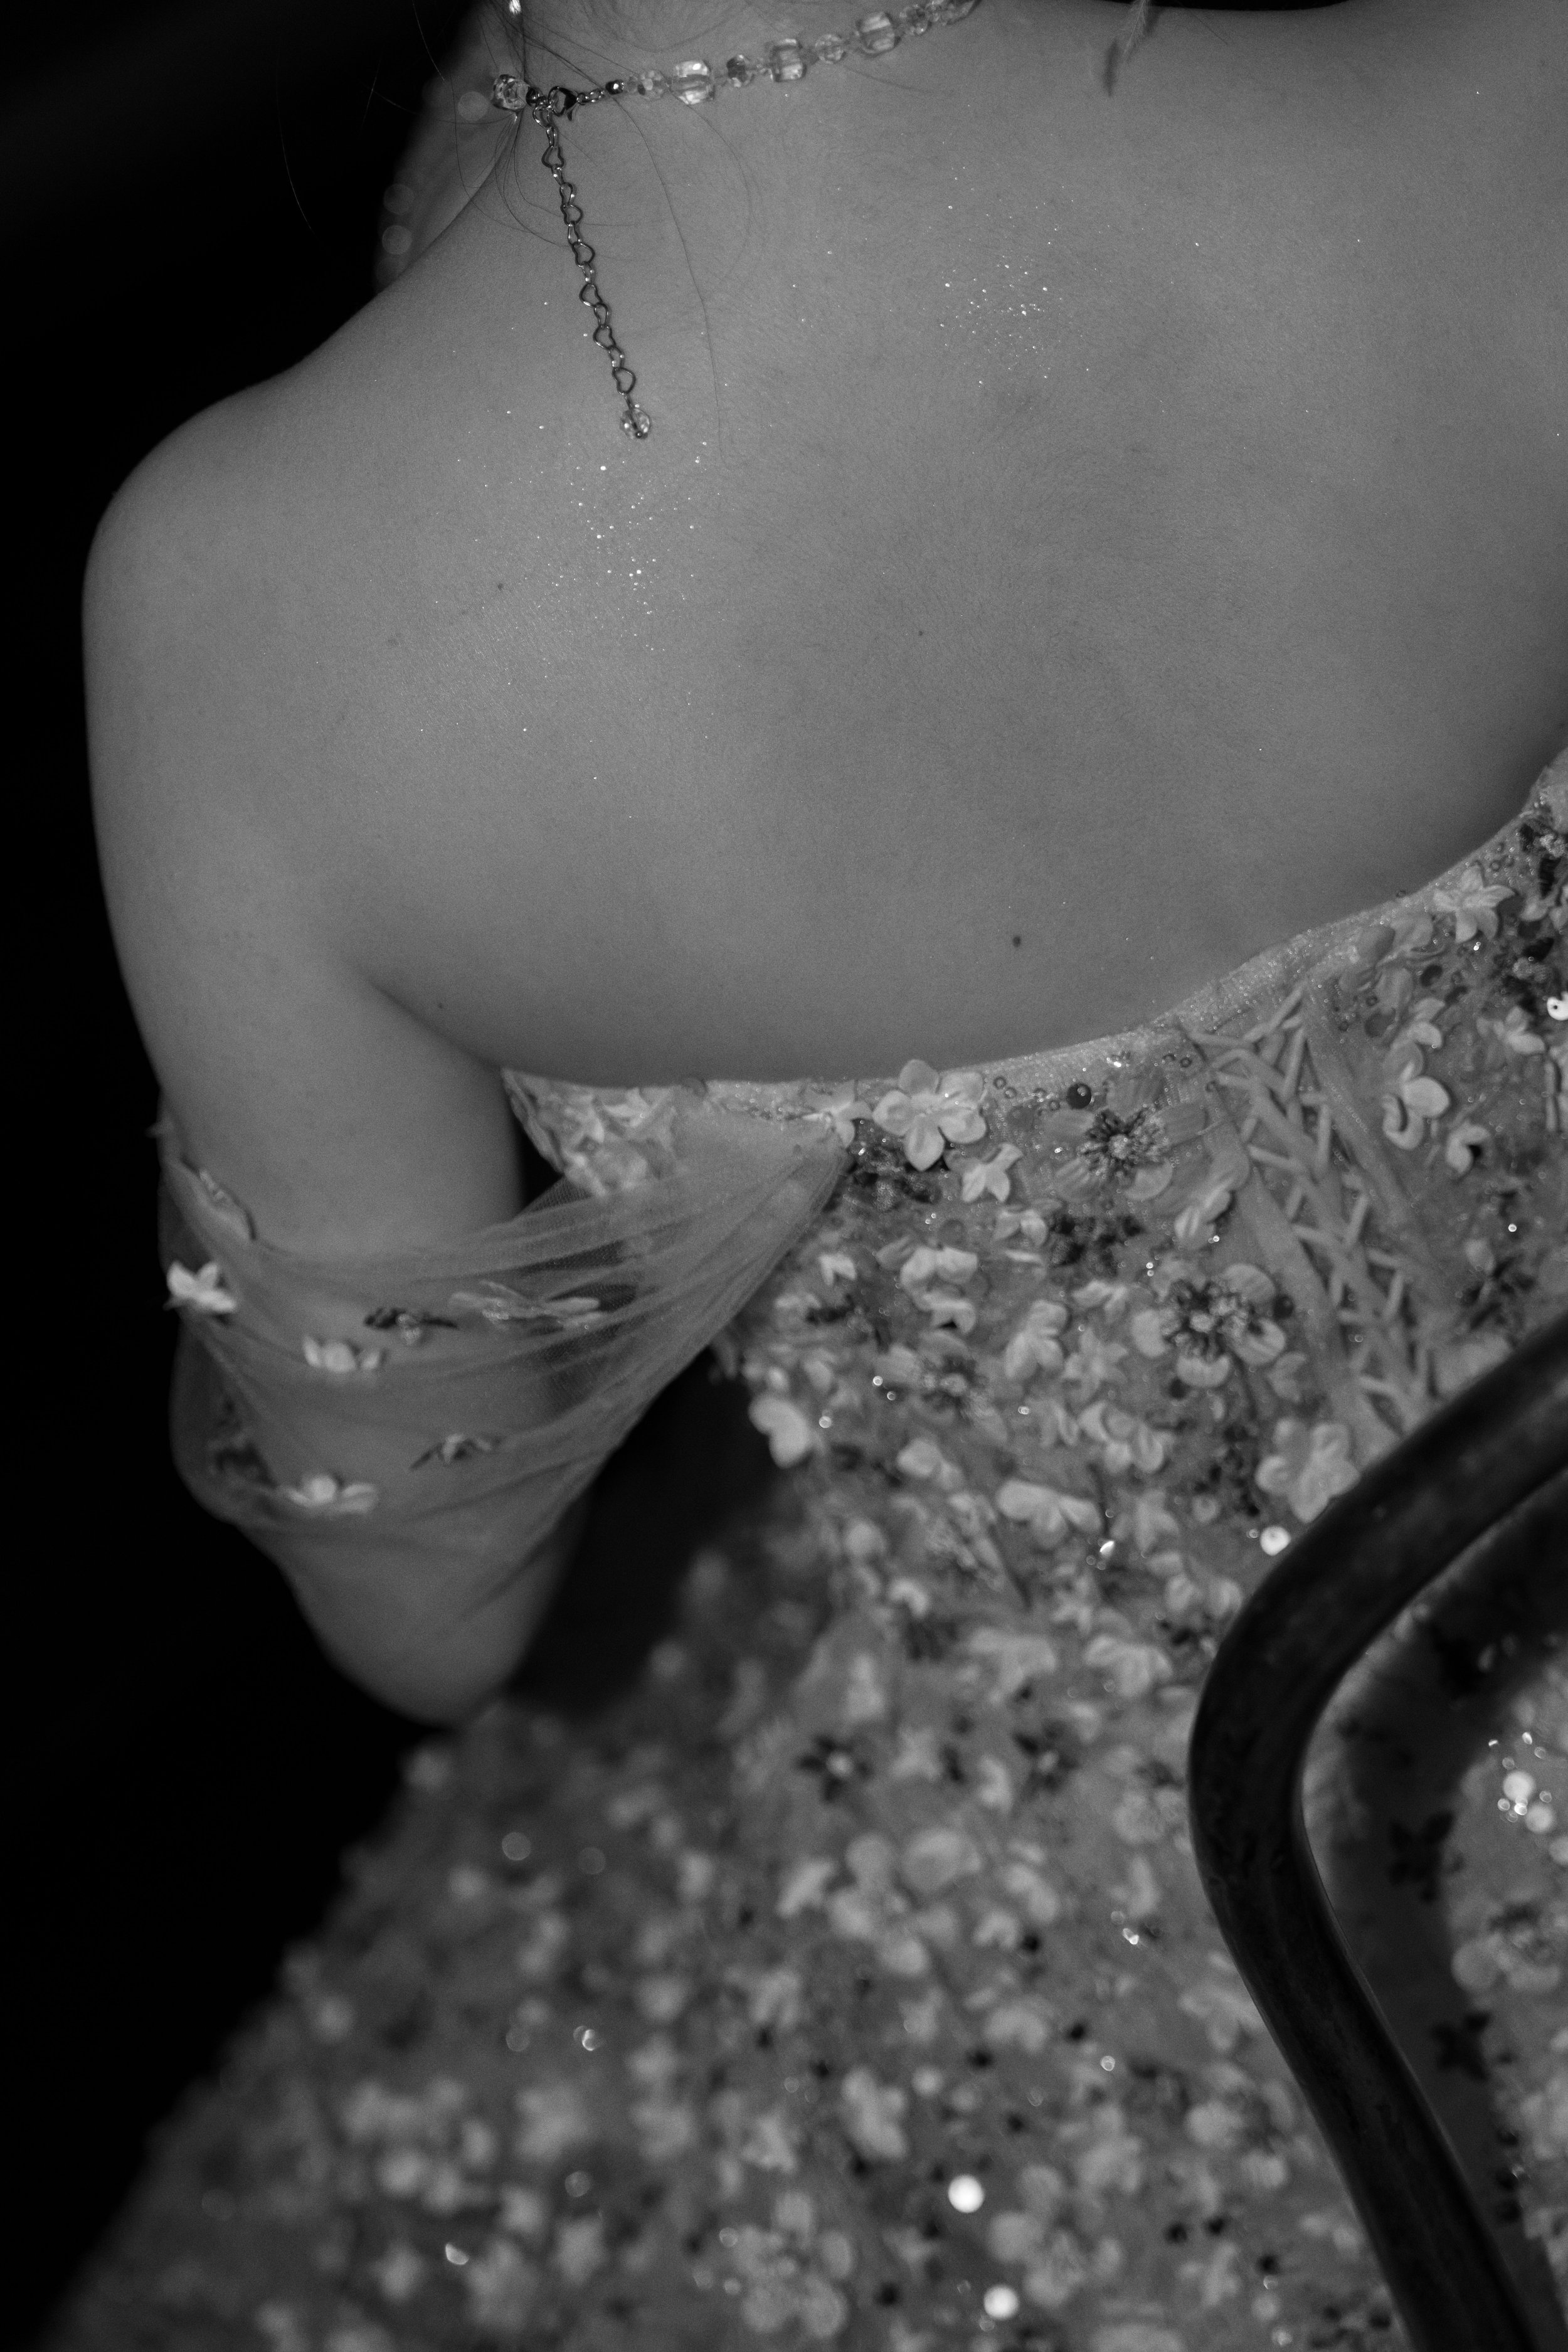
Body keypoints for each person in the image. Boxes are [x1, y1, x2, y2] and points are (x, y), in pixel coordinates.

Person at [66, 0, 1565, 2343]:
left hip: (1161, 2005)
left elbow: (435, 1613)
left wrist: (688, 1222)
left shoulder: (244, 611)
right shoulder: (1512, 109)